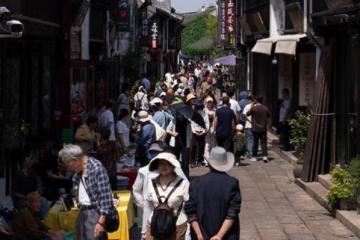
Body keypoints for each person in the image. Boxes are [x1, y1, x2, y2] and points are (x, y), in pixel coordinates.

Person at [185, 147, 241, 240]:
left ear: (210, 164)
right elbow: (232, 213)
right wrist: (219, 235)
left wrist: (199, 235)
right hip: (226, 235)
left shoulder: (196, 183)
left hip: (201, 234)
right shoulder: (232, 183)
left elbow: (190, 211)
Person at [58, 144, 114, 240]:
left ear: (75, 160)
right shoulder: (78, 173)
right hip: (83, 213)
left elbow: (106, 198)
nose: (68, 168)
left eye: (68, 164)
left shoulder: (96, 168)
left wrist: (101, 222)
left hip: (94, 214)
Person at [145, 152, 189, 240]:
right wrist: (144, 230)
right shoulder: (150, 182)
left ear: (173, 166)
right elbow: (148, 207)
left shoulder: (183, 183)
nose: (163, 167)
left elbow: (188, 207)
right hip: (154, 226)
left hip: (177, 227)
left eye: (167, 164)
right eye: (161, 164)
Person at [247, 96, 272, 162]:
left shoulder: (254, 108)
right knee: (263, 143)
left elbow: (247, 114)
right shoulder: (265, 108)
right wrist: (268, 125)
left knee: (255, 143)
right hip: (263, 128)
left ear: (256, 100)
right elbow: (269, 116)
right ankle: (265, 156)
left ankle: (254, 157)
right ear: (262, 101)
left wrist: (252, 105)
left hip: (255, 128)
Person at [190, 98, 210, 168]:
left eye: (199, 106)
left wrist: (204, 131)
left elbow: (207, 124)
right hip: (194, 132)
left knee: (201, 147)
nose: (197, 107)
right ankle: (192, 161)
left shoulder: (204, 113)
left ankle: (199, 161)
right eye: (196, 106)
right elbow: (191, 123)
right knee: (193, 147)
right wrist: (194, 131)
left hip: (202, 132)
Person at [242, 96, 255, 161]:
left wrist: (250, 121)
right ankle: (253, 153)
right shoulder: (256, 106)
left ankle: (250, 153)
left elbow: (244, 115)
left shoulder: (247, 106)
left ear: (250, 100)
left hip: (249, 125)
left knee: (249, 140)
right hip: (256, 126)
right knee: (254, 140)